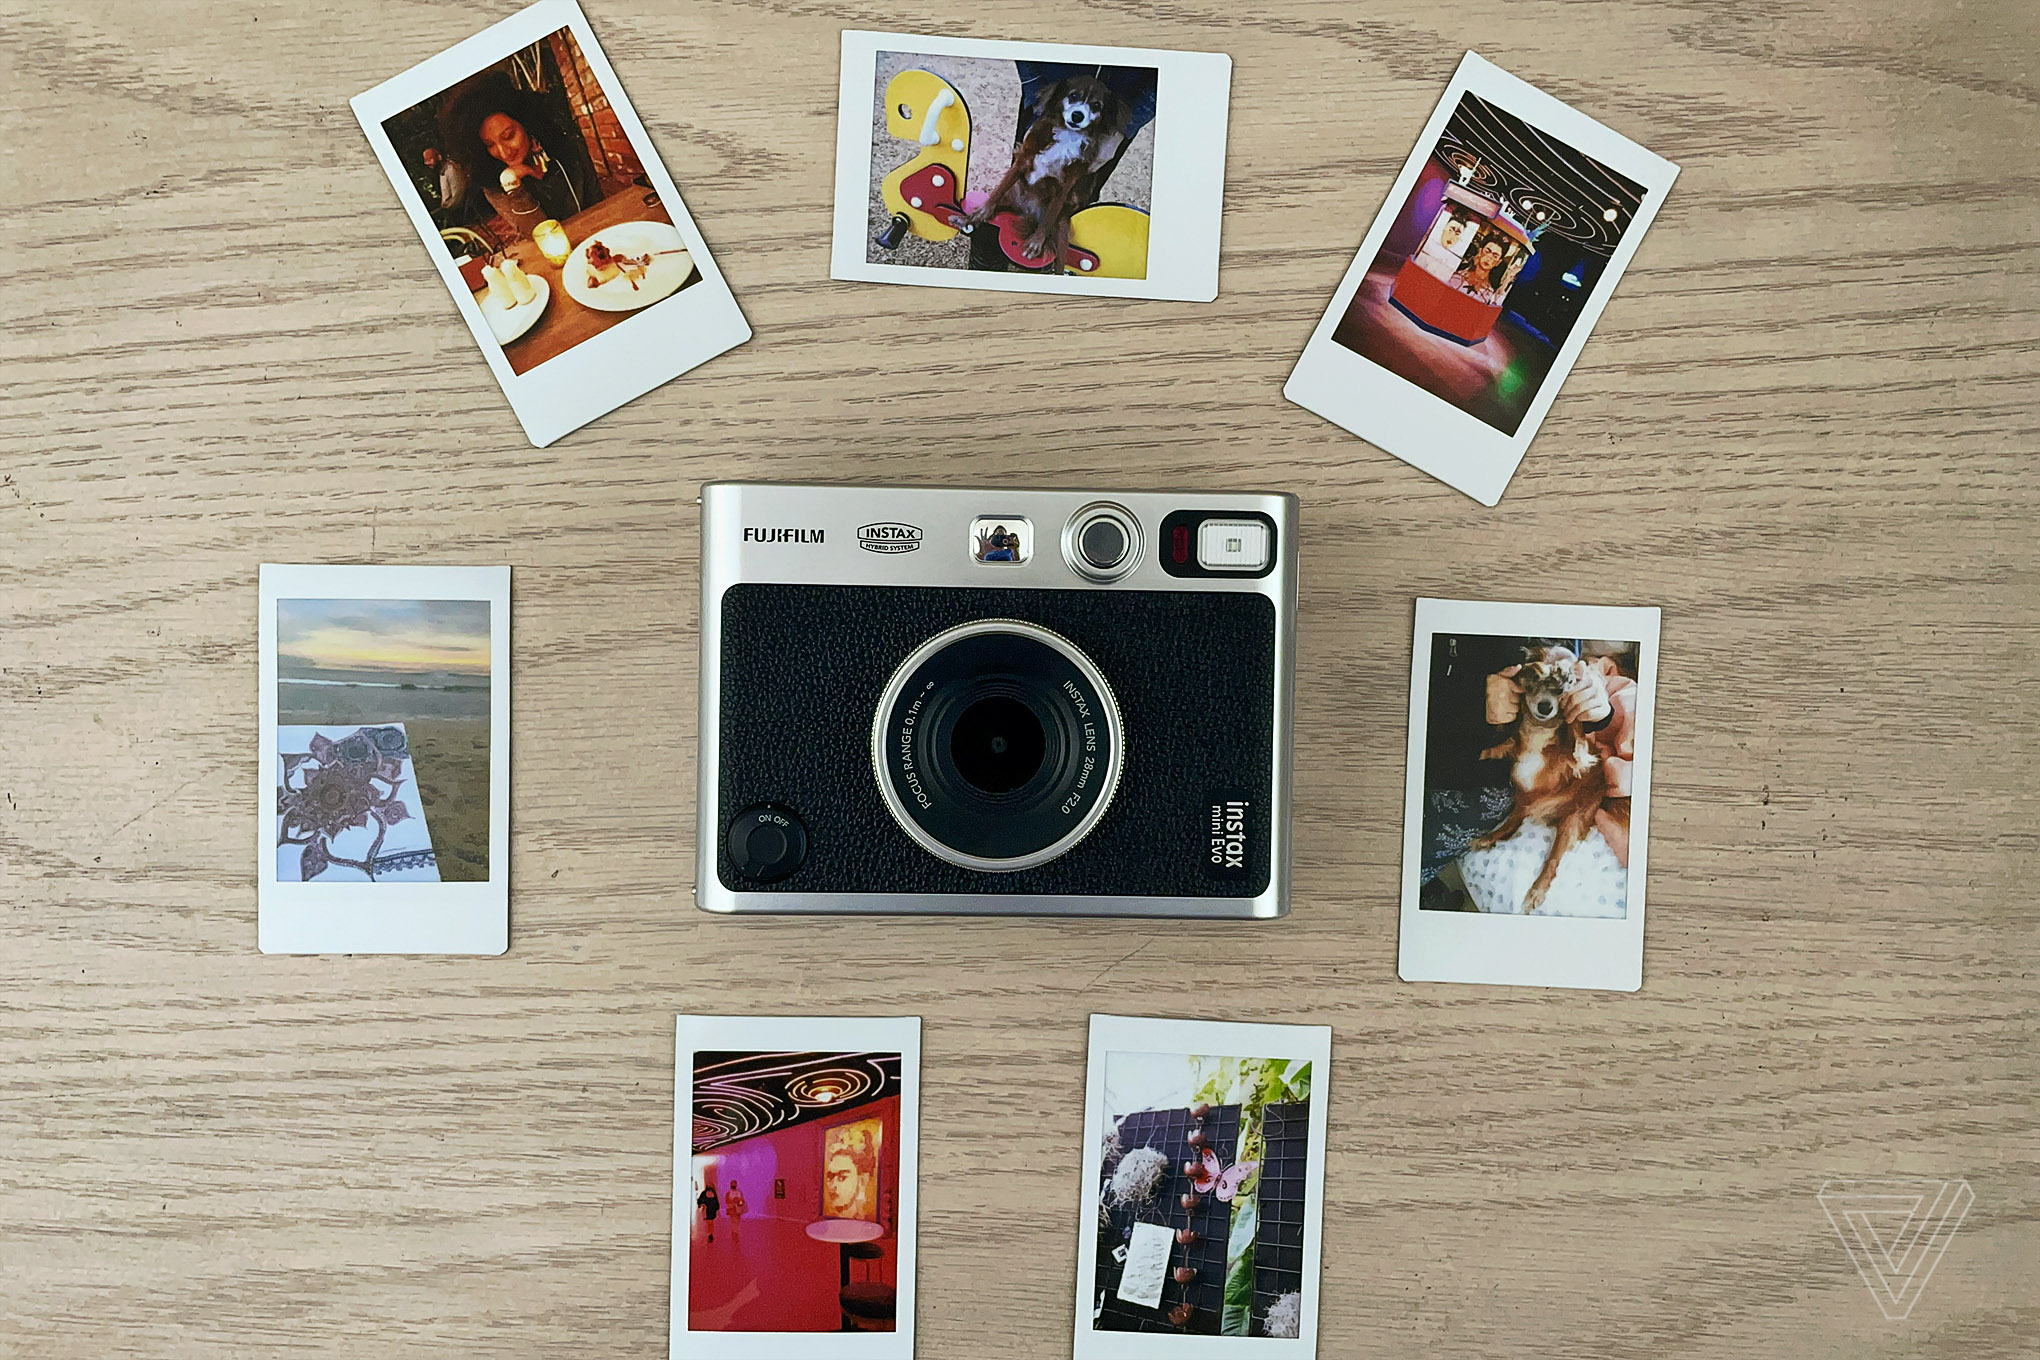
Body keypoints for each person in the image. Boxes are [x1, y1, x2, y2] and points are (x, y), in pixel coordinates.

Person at [439, 71, 602, 239]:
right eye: (490, 145)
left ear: (526, 124)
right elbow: (538, 237)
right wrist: (513, 186)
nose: (503, 152)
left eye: (509, 136)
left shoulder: (566, 149)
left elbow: (598, 202)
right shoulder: (494, 184)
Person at [422, 147, 469, 218]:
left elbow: (458, 193)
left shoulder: (451, 170)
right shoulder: (441, 172)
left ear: (439, 157)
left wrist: (447, 209)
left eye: (430, 161)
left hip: (458, 210)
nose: (430, 167)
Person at [724, 1178, 747, 1242]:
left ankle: (735, 1233)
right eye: (732, 1185)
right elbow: (727, 1201)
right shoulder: (729, 1193)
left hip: (738, 1210)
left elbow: (742, 1202)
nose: (733, 1186)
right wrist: (733, 1202)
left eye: (734, 1185)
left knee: (737, 1222)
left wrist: (738, 1202)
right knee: (734, 1222)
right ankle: (735, 1233)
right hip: (732, 1210)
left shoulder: (739, 1192)